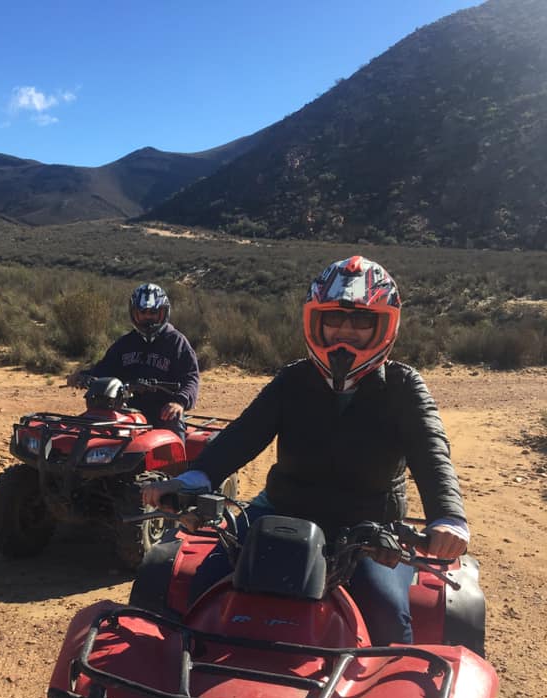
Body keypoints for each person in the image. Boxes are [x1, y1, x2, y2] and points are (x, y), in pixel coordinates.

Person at [142, 255, 469, 646]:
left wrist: (447, 517)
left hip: (369, 526)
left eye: (361, 322)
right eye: (334, 319)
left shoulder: (404, 386)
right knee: (209, 584)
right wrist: (195, 478)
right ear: (316, 322)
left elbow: (432, 450)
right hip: (281, 510)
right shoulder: (293, 379)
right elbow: (243, 434)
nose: (345, 332)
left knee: (384, 611)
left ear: (384, 326)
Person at [68, 282, 199, 438]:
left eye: (153, 312)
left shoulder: (176, 342)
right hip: (127, 408)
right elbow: (105, 368)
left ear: (163, 313)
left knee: (173, 437)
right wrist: (82, 376)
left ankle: (180, 463)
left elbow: (191, 378)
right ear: (134, 314)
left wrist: (180, 402)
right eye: (142, 312)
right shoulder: (125, 343)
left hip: (164, 411)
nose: (147, 317)